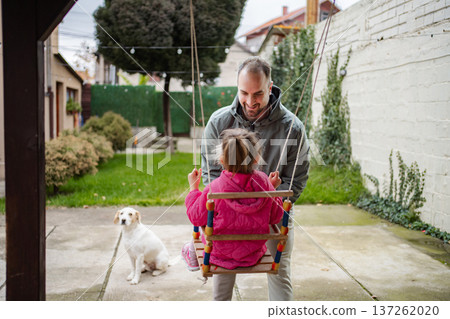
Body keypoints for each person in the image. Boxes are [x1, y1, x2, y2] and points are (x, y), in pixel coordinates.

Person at [200, 56, 310, 301]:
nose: (250, 101)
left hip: (274, 214)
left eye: (258, 93)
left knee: (279, 271)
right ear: (237, 88)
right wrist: (230, 209)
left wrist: (269, 206)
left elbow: (297, 178)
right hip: (228, 216)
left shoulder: (292, 127)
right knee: (222, 275)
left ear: (270, 88)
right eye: (244, 93)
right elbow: (210, 173)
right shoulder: (219, 123)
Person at [182, 128, 284, 300]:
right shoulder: (264, 184)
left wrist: (193, 188)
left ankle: (191, 253)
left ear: (221, 160)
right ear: (257, 158)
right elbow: (275, 217)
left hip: (220, 253)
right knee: (216, 229)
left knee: (204, 227)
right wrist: (272, 189)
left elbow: (195, 217)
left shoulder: (215, 188)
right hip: (253, 252)